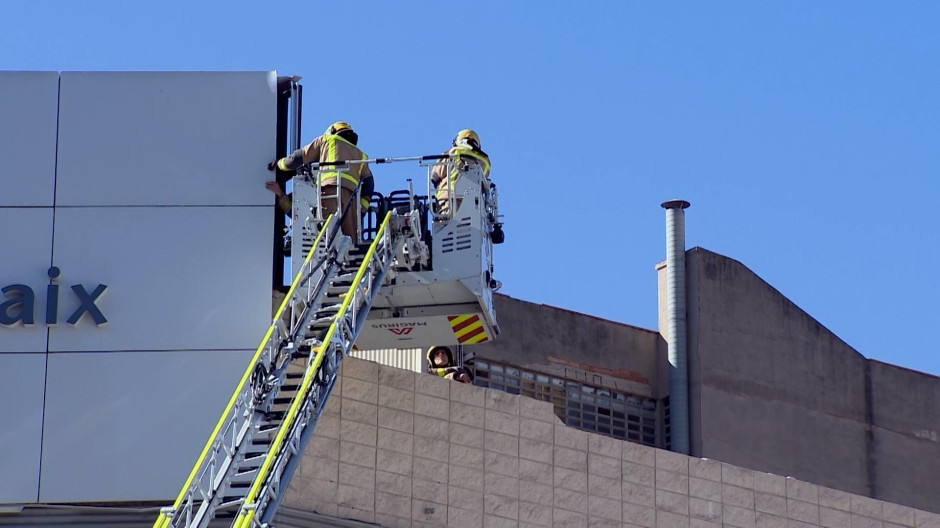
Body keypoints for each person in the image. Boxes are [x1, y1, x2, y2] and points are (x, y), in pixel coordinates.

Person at [267, 121, 374, 240]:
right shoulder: (361, 155)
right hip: (351, 200)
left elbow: (296, 159)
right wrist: (360, 211)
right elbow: (369, 185)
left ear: (332, 131)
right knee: (350, 243)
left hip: (329, 192)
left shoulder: (327, 140)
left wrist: (279, 164)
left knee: (326, 233)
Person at [430, 129, 491, 216]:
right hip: (474, 204)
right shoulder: (485, 161)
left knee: (446, 225)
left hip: (449, 199)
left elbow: (435, 176)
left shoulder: (452, 152)